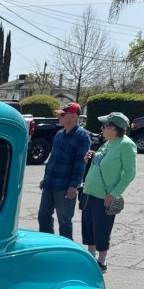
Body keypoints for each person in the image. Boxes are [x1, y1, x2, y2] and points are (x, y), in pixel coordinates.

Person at [81, 112, 137, 273]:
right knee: (89, 228)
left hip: (104, 196)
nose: (101, 128)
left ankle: (101, 261)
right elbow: (101, 162)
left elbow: (130, 172)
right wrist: (91, 157)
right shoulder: (108, 143)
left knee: (102, 228)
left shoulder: (126, 145)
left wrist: (114, 193)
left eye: (104, 126)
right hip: (90, 192)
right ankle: (91, 258)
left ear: (113, 129)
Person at [37, 102, 91, 240]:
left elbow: (80, 163)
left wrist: (74, 185)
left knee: (64, 221)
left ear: (73, 116)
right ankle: (48, 244)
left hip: (65, 187)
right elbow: (52, 159)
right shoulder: (59, 134)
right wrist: (45, 178)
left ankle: (66, 248)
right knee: (43, 216)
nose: (59, 117)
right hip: (50, 183)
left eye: (63, 114)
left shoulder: (82, 136)